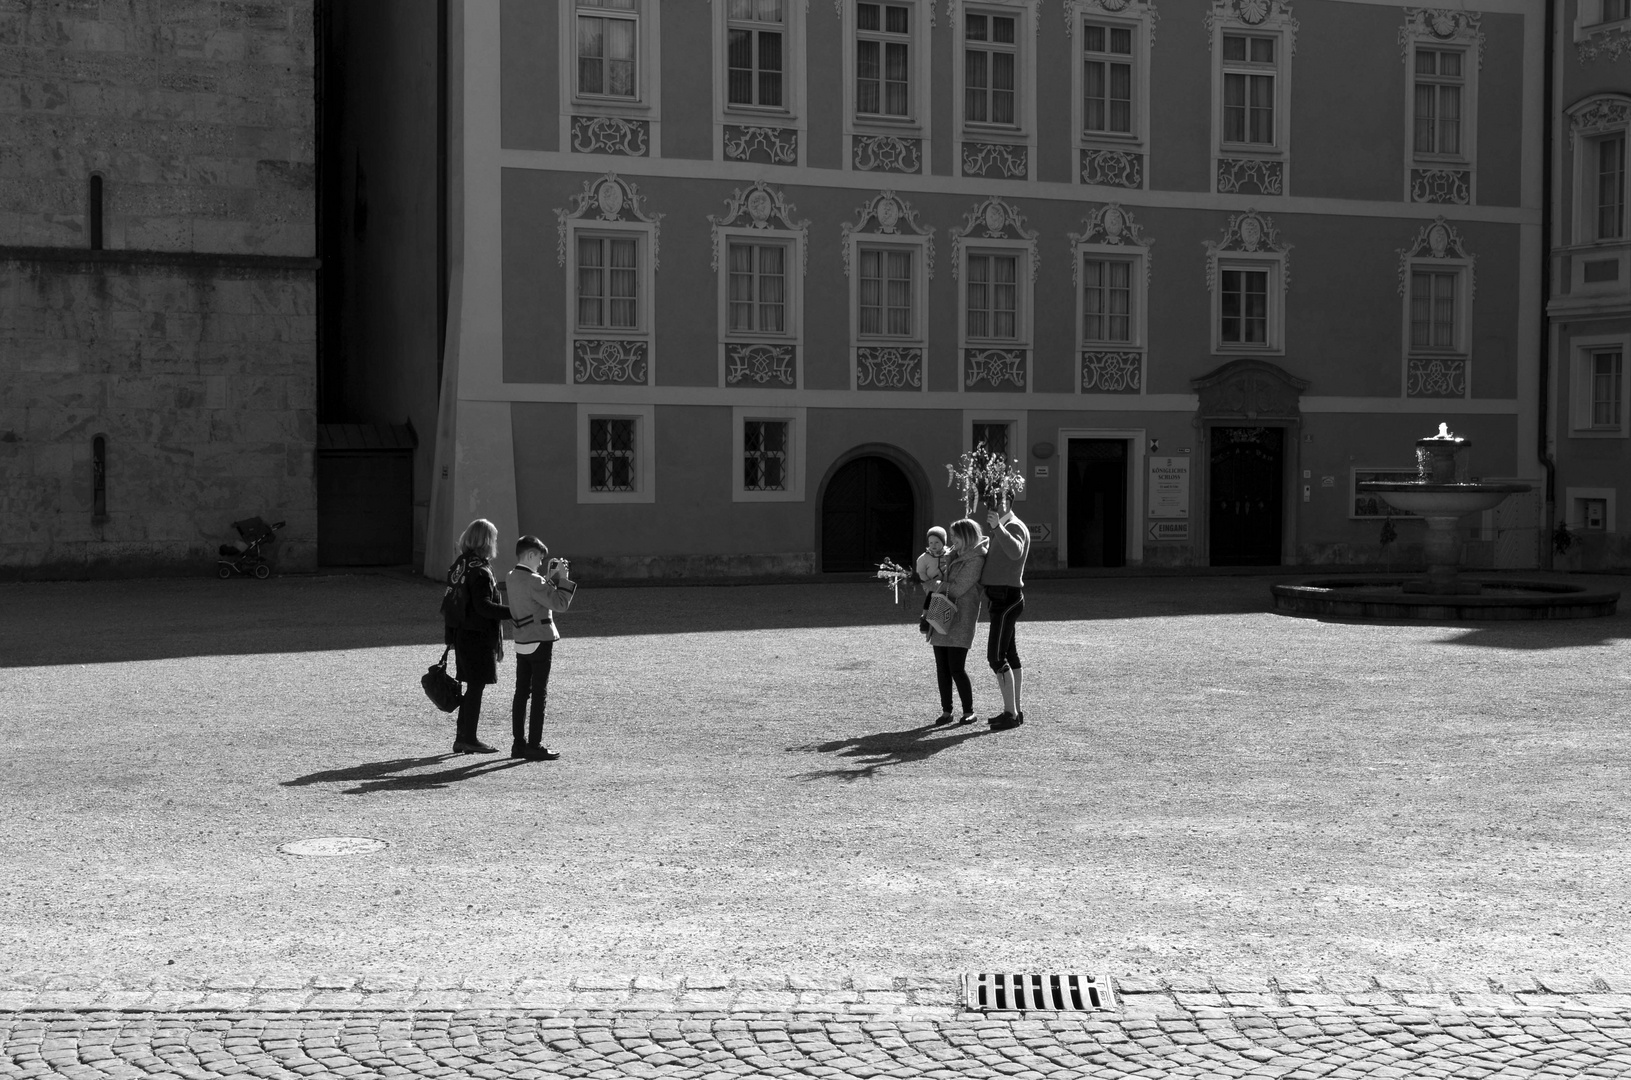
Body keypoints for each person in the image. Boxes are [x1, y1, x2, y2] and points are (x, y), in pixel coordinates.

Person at [445, 518, 512, 754]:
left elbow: (450, 603)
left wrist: (450, 637)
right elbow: (484, 607)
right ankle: (468, 738)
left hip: (462, 634)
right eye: (493, 538)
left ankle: (463, 736)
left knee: (470, 687)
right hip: (478, 636)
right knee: (475, 688)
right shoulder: (480, 570)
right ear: (486, 541)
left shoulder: (461, 565)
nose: (495, 543)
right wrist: (514, 612)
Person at [505, 535, 572, 762]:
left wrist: (548, 581)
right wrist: (563, 579)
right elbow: (560, 604)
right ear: (531, 555)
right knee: (539, 694)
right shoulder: (535, 581)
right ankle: (534, 744)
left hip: (521, 641)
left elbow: (533, 596)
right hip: (540, 641)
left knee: (521, 693)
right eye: (540, 559)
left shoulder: (511, 576)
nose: (541, 563)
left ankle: (518, 744)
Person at [926, 518, 988, 726]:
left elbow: (960, 588)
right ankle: (946, 711)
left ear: (967, 536)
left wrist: (936, 584)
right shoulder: (953, 555)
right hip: (942, 611)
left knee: (956, 668)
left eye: (955, 536)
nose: (951, 540)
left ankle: (969, 710)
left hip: (961, 618)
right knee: (941, 667)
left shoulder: (976, 558)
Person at [981, 499, 1032, 731]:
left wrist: (997, 529)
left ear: (1006, 503)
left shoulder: (1013, 526)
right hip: (1001, 596)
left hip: (1006, 598)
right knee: (1010, 655)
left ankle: (1011, 713)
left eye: (996, 501)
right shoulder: (1006, 525)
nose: (990, 505)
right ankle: (1014, 710)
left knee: (996, 657)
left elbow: (1015, 552)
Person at [914, 526, 948, 639]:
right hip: (930, 584)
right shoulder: (924, 558)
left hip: (945, 583)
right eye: (931, 542)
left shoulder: (948, 554)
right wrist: (927, 581)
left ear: (943, 542)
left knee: (943, 600)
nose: (933, 545)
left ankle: (944, 619)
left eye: (937, 542)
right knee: (931, 597)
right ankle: (925, 617)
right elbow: (921, 571)